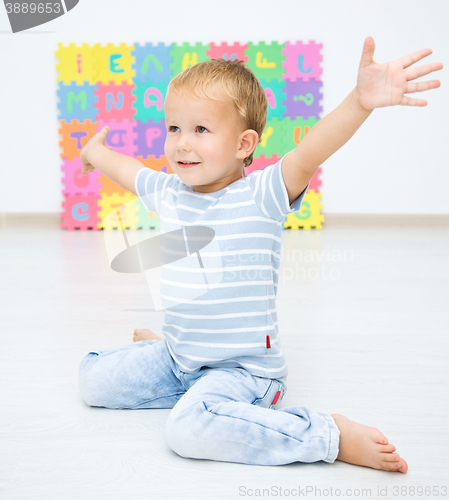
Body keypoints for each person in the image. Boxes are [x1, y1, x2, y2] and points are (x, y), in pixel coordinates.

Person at [79, 37, 442, 472]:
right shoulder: (169, 191)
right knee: (92, 380)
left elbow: (312, 150)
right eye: (174, 128)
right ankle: (171, 356)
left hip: (243, 373)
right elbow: (128, 170)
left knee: (187, 430)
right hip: (179, 356)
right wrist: (94, 152)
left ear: (244, 143)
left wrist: (360, 101)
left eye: (200, 130)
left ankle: (328, 435)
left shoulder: (262, 194)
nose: (181, 143)